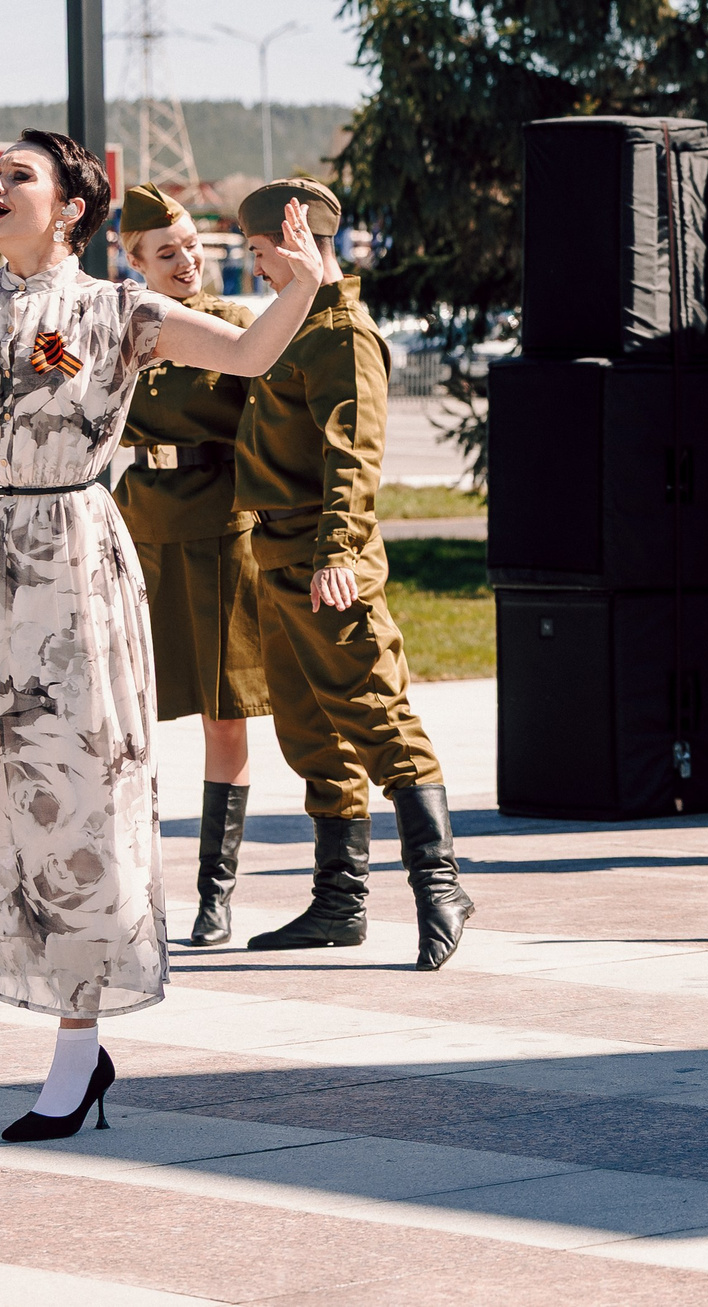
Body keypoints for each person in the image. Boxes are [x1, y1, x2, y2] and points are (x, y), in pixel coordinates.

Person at [0, 131, 325, 1139]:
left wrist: (302, 285)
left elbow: (242, 355)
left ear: (69, 207)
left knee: (75, 799)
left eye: (19, 176)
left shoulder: (116, 309)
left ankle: (76, 1050)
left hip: (68, 558)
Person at [231, 179, 472, 971]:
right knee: (310, 733)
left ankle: (441, 885)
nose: (257, 268)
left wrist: (338, 552)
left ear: (298, 236)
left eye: (262, 252)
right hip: (278, 559)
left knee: (378, 719)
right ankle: (339, 902)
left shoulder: (341, 332)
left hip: (325, 566)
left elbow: (354, 454)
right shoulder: (291, 324)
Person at [113, 185, 267, 947]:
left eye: (192, 246)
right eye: (166, 251)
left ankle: (216, 893)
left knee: (222, 713)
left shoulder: (235, 327)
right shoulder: (117, 327)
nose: (186, 261)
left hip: (220, 530)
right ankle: (132, 889)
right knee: (126, 720)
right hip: (139, 529)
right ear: (131, 260)